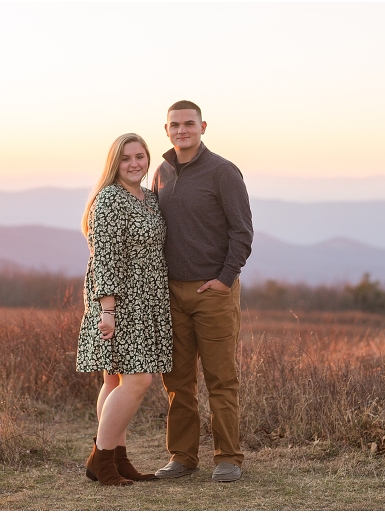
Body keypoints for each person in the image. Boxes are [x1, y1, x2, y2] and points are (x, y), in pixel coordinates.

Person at [151, 101, 253, 483]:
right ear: (166, 130)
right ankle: (182, 457)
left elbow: (242, 231)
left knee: (220, 379)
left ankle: (228, 457)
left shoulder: (223, 171)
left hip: (212, 291)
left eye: (189, 124)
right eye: (175, 125)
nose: (182, 130)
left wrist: (225, 279)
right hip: (171, 293)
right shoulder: (160, 172)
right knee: (176, 380)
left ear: (203, 126)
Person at [76, 133, 173, 486]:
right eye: (126, 158)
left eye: (140, 156)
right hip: (120, 302)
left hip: (148, 300)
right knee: (137, 379)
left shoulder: (148, 197)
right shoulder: (109, 200)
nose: (134, 164)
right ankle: (100, 460)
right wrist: (107, 309)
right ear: (114, 163)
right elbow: (105, 257)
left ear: (148, 160)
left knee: (114, 378)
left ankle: (117, 459)